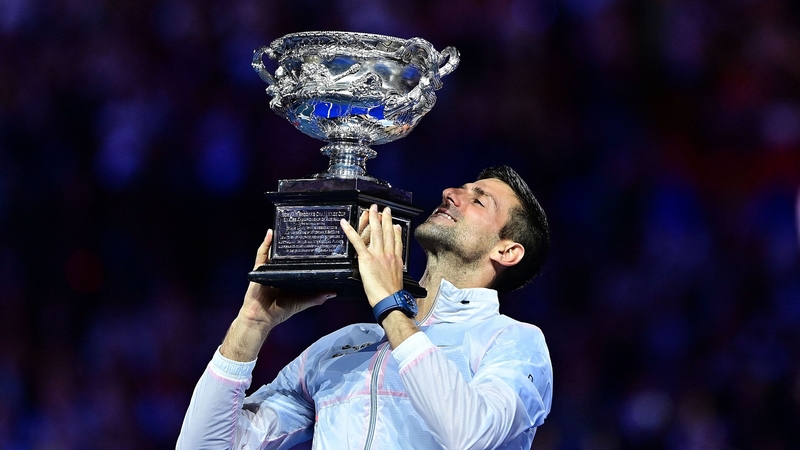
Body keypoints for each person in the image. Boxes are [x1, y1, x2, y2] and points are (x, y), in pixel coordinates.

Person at [177, 165, 553, 449]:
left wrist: (391, 305)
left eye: (478, 199)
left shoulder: (514, 343)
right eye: (462, 188)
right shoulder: (345, 345)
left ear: (507, 250)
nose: (451, 192)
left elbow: (469, 432)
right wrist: (251, 324)